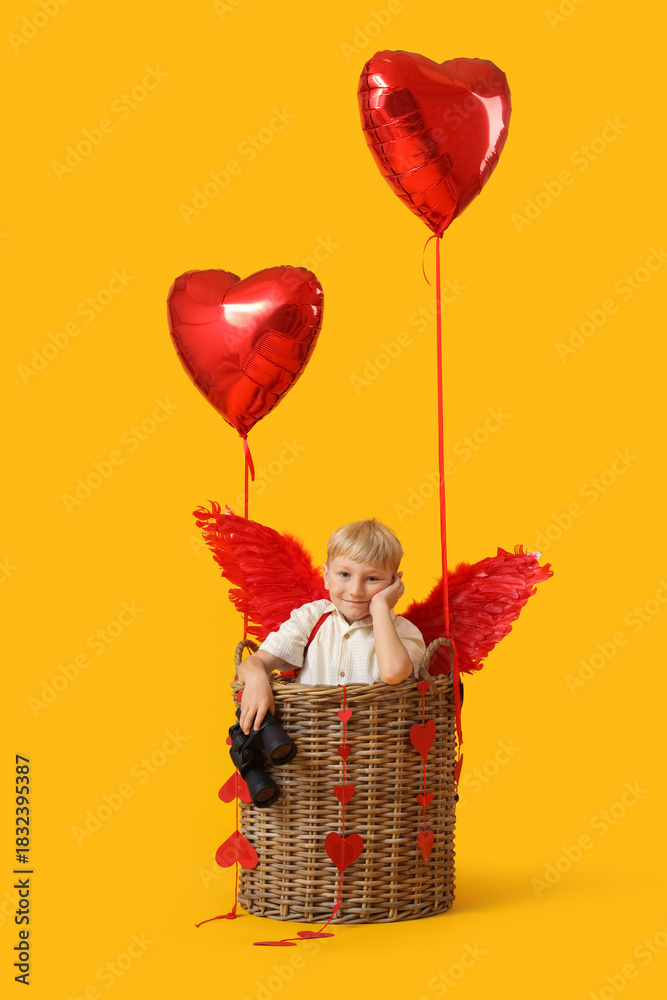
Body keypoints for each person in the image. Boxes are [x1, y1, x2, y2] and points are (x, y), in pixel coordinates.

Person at [237, 518, 425, 735]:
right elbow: (253, 663)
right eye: (344, 575)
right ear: (326, 576)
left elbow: (393, 673)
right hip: (308, 752)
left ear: (394, 584)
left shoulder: (404, 632)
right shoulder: (311, 618)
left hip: (375, 755)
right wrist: (256, 677)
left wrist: (381, 606)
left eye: (372, 578)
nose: (355, 590)